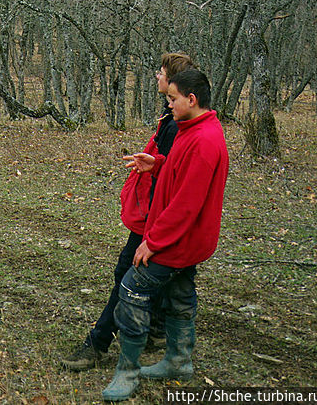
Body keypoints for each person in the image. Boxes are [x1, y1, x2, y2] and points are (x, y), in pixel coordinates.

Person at [61, 52, 196, 372]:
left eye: (161, 74)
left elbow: (178, 183)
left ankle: (98, 343)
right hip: (156, 212)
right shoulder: (172, 116)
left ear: (175, 83)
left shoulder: (181, 126)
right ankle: (156, 330)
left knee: (128, 274)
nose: (157, 77)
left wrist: (155, 220)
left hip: (158, 216)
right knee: (171, 279)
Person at [101, 68, 229, 401]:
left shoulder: (204, 140)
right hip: (188, 240)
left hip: (179, 240)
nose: (168, 104)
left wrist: (153, 242)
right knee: (179, 293)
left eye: (172, 99)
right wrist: (157, 164)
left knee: (132, 287)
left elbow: (186, 205)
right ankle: (178, 361)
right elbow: (179, 170)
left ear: (192, 99)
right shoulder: (195, 128)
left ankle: (127, 372)